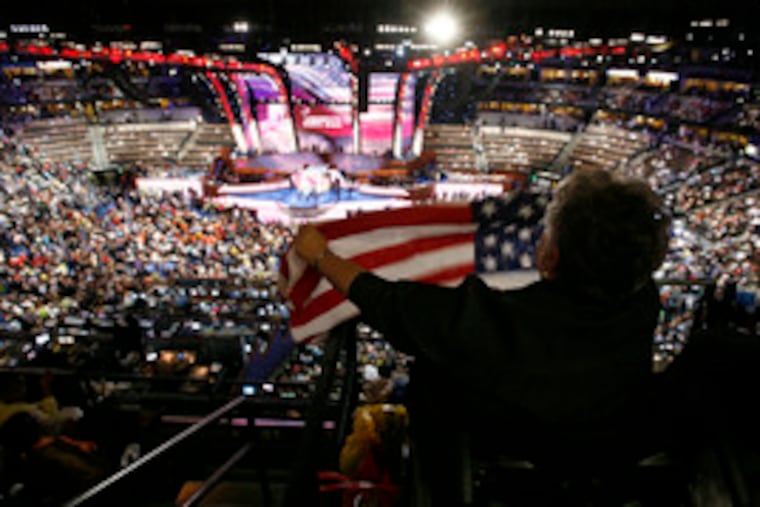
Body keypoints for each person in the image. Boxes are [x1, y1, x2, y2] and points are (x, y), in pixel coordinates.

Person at [292, 168, 671, 503]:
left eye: (547, 235)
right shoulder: (642, 304)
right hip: (601, 453)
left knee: (432, 371)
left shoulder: (495, 320)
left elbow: (387, 302)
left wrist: (321, 255)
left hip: (506, 452)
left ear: (552, 257)